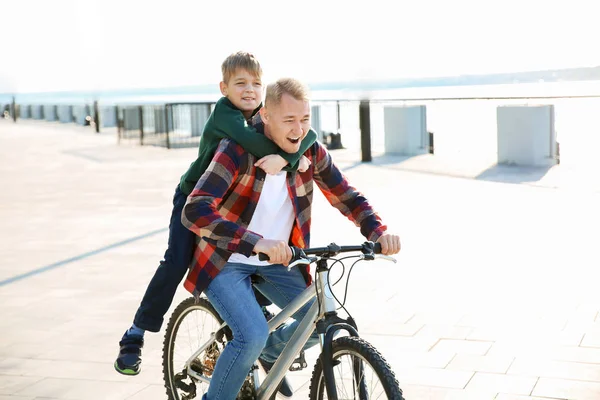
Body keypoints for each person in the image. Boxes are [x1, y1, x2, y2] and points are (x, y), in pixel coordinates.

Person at [182, 77, 401, 400]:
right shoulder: (236, 150)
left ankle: (267, 352)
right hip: (224, 260)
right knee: (251, 334)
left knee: (319, 319)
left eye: (305, 120)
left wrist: (378, 231)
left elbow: (347, 196)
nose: (298, 130)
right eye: (289, 120)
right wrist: (255, 241)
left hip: (279, 261)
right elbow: (195, 209)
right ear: (266, 116)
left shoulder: (309, 151)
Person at [114, 52, 318, 379]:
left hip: (228, 202)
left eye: (256, 83)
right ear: (224, 88)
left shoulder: (262, 117)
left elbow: (311, 136)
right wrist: (293, 159)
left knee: (247, 255)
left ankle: (240, 346)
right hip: (196, 197)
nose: (249, 90)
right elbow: (258, 143)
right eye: (240, 83)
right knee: (177, 261)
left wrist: (295, 151)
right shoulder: (226, 115)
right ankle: (137, 332)